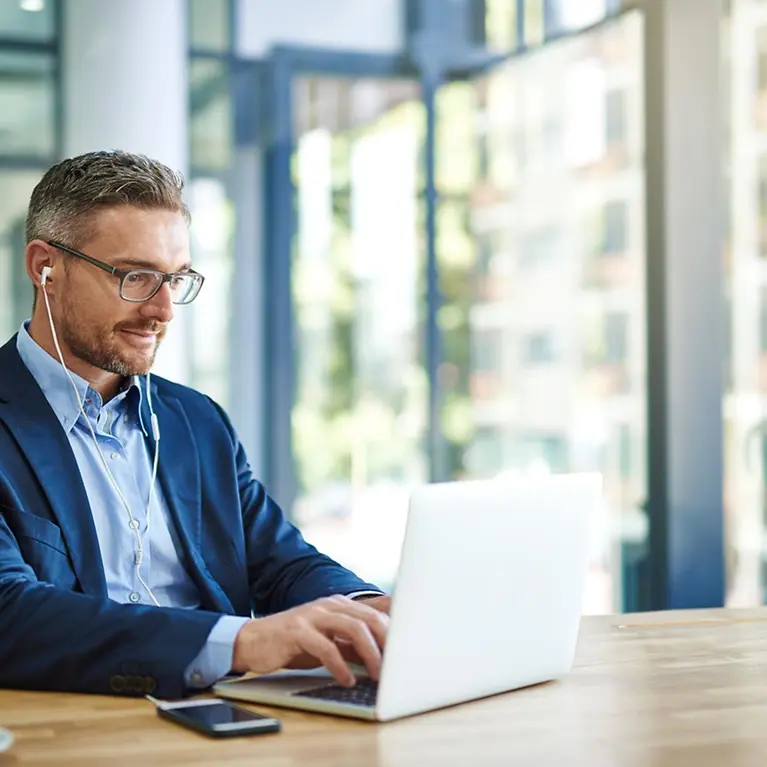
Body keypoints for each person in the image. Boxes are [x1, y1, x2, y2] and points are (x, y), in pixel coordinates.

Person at [0, 150, 390, 698]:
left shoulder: (198, 422)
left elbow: (279, 563)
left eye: (176, 279)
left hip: (222, 715)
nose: (163, 310)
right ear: (45, 267)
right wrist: (241, 643)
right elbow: (10, 613)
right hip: (74, 723)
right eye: (135, 276)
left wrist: (366, 611)